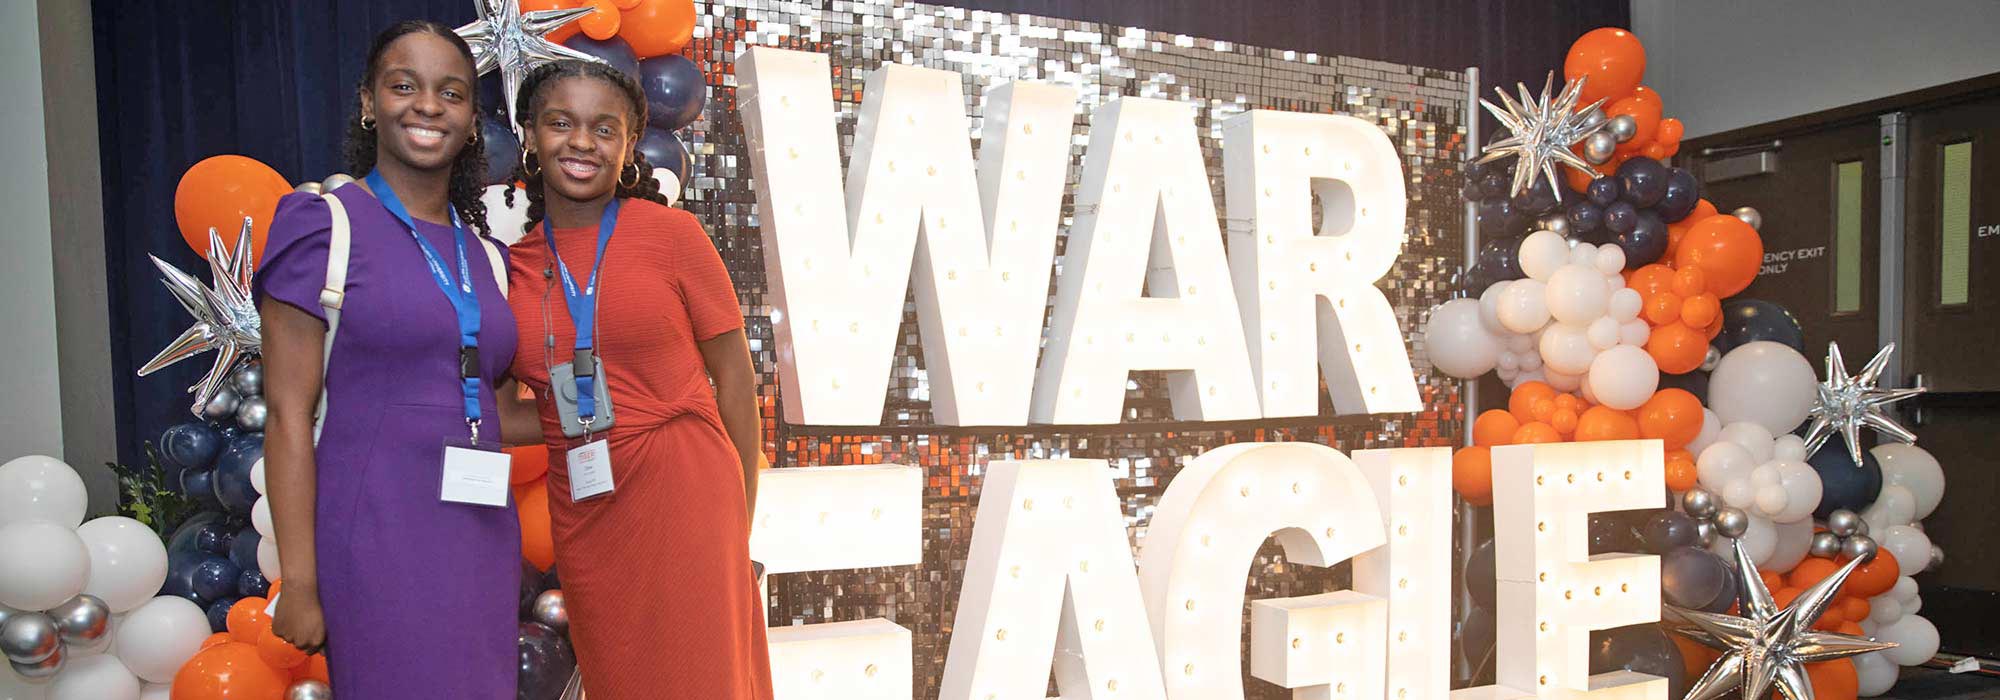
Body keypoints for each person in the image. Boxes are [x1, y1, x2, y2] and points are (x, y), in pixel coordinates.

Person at [257, 20, 521, 697]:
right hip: (375, 541)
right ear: (370, 104)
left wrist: (624, 409)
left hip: (480, 539)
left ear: (471, 121)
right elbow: (288, 415)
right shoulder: (324, 225)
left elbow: (488, 406)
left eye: (452, 92)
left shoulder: (487, 256)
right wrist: (302, 582)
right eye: (404, 86)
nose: (428, 105)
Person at [501, 59, 772, 699]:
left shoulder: (672, 235)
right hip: (588, 507)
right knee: (620, 677)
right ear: (531, 138)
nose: (581, 142)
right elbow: (525, 410)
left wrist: (739, 524)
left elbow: (735, 384)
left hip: (687, 493)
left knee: (705, 676)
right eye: (560, 123)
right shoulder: (513, 268)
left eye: (604, 128)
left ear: (628, 147)